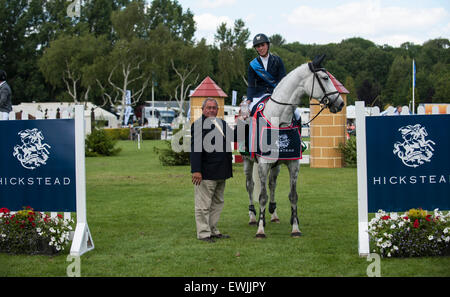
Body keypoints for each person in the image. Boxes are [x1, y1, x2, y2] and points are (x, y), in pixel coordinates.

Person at [190, 98, 234, 243]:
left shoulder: (221, 123)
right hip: (206, 172)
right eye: (208, 107)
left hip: (222, 171)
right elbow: (196, 150)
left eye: (214, 108)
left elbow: (234, 136)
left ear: (218, 109)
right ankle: (203, 233)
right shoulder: (198, 125)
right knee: (203, 205)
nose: (211, 110)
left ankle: (213, 230)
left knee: (217, 203)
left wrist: (244, 121)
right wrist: (196, 170)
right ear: (203, 109)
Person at [246, 33, 286, 104]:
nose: (261, 48)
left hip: (276, 94)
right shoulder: (252, 65)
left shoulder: (277, 60)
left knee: (296, 112)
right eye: (258, 46)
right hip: (259, 96)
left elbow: (283, 80)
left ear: (267, 45)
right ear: (256, 48)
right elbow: (251, 85)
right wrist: (248, 99)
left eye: (263, 45)